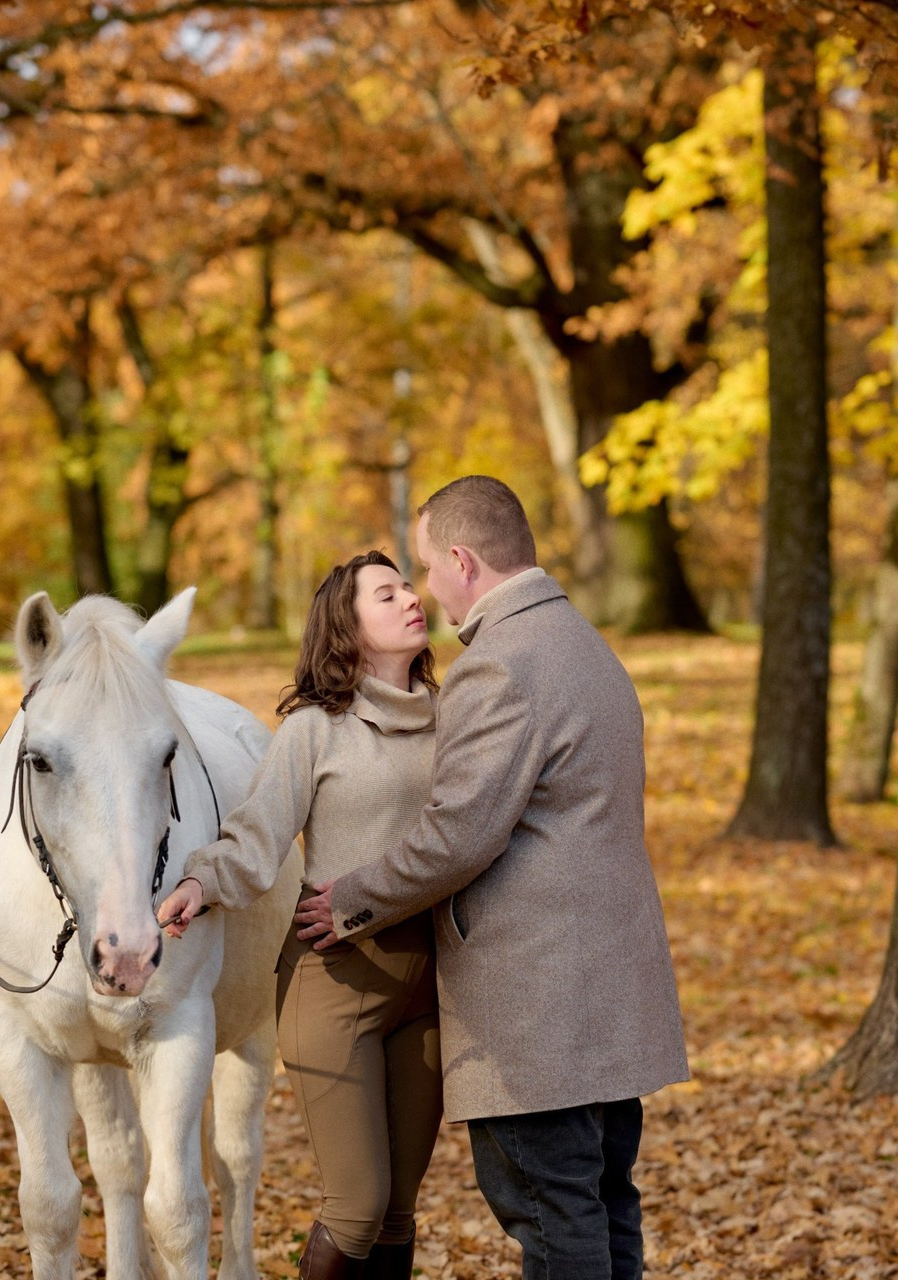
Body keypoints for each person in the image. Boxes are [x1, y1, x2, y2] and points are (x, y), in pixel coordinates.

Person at [295, 476, 689, 1280]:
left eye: (429, 565)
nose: (426, 587)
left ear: (464, 561)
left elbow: (456, 836)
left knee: (553, 1218)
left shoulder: (498, 667)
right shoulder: (586, 644)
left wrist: (352, 899)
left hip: (538, 1013)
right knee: (605, 1206)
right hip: (610, 996)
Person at [156, 550, 443, 1280]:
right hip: (337, 979)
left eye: (408, 585)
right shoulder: (316, 730)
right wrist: (202, 881)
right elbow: (259, 836)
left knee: (399, 1210)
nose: (411, 598)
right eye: (388, 594)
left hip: (435, 986)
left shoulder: (457, 715)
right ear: (348, 628)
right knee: (358, 1202)